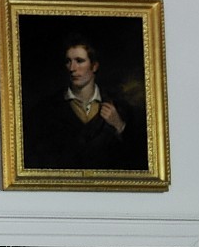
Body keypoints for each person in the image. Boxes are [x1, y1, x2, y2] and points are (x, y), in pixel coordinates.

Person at [22, 34, 145, 171]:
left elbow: (138, 158)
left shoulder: (119, 107)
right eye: (68, 61)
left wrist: (119, 125)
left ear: (94, 66)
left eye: (79, 61)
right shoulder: (47, 108)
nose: (72, 68)